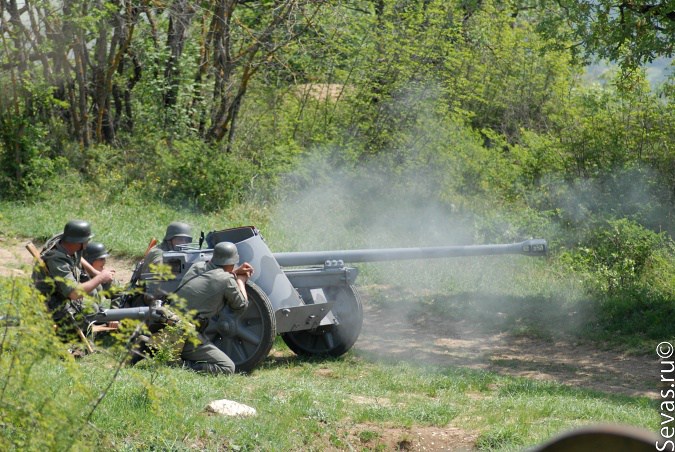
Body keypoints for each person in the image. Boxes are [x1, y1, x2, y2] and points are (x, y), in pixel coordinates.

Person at [174, 241, 253, 374]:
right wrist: (240, 280)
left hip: (168, 325)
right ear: (232, 261)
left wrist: (232, 273)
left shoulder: (197, 267)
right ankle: (181, 367)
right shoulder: (227, 280)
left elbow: (211, 277)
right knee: (228, 368)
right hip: (188, 335)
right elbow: (241, 305)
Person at [32, 220, 115, 340]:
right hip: (49, 302)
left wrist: (94, 272)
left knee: (94, 289)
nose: (88, 242)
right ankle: (63, 334)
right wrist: (101, 277)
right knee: (91, 308)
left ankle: (90, 322)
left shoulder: (67, 243)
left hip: (60, 292)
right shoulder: (57, 261)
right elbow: (74, 293)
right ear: (78, 242)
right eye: (86, 240)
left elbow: (77, 257)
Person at [130, 221, 193, 307]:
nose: (184, 243)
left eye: (186, 240)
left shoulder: (174, 252)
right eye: (180, 239)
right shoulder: (160, 254)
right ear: (169, 240)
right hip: (149, 301)